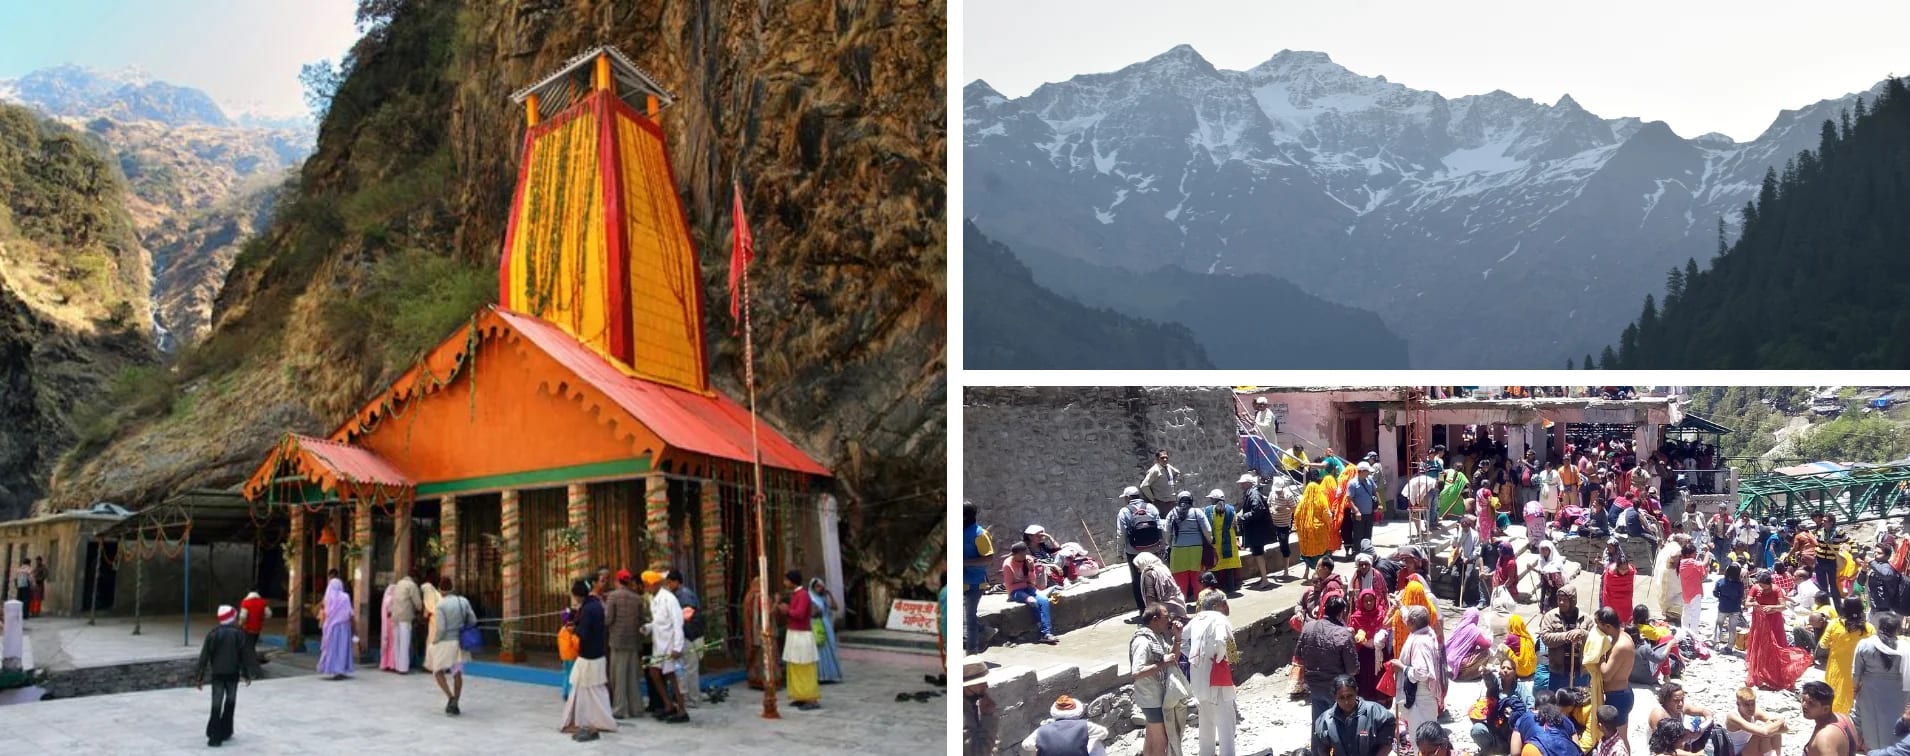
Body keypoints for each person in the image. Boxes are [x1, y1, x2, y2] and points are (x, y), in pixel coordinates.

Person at [192, 604, 261, 747]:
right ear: (231, 618)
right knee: (230, 702)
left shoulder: (213, 634)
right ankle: (226, 731)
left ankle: (214, 737)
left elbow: (204, 656)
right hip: (232, 674)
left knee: (216, 704)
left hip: (217, 673)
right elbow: (244, 656)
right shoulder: (239, 633)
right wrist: (247, 673)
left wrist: (199, 677)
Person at [560, 579, 616, 739]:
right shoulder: (595, 605)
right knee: (596, 690)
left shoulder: (588, 609)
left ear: (577, 595)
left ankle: (579, 721)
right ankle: (600, 720)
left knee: (581, 688)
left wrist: (572, 629)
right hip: (598, 653)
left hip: (588, 655)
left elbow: (583, 633)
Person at [1185, 592, 1237, 756]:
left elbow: (1180, 639)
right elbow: (1222, 641)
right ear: (1216, 606)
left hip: (1198, 680)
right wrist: (1220, 658)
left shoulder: (1195, 620)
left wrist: (1195, 658)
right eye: (1224, 604)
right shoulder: (1219, 619)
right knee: (1226, 724)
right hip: (1217, 680)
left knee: (1206, 722)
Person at [1390, 605, 1444, 756]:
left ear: (1412, 622)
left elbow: (1422, 672)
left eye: (1407, 620)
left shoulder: (1420, 642)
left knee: (1421, 741)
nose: (1405, 622)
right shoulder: (1428, 632)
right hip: (1424, 698)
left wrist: (1402, 667)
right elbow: (1410, 616)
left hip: (1421, 699)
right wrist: (1401, 606)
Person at [1745, 571, 1813, 690]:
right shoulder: (1755, 588)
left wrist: (1772, 607)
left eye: (1764, 586)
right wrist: (1754, 603)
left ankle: (1774, 669)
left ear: (1769, 583)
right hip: (1759, 620)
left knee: (1775, 643)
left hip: (1774, 620)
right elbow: (1747, 603)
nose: (1761, 588)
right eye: (1760, 585)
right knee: (1760, 643)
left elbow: (1783, 606)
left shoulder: (1777, 590)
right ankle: (1760, 668)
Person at [1298, 594, 1359, 723]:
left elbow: (1299, 655)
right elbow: (1352, 669)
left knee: (1319, 722)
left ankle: (1319, 743)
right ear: (1341, 613)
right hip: (1336, 688)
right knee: (1338, 725)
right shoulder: (1343, 634)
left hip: (1314, 685)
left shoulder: (1308, 627)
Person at [1131, 602, 1181, 756]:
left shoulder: (1156, 639)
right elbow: (1137, 672)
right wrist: (1162, 663)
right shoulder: (1143, 641)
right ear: (1154, 619)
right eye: (1166, 617)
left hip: (1157, 695)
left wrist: (1177, 639)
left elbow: (1173, 659)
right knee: (1161, 739)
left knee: (1152, 737)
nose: (1169, 620)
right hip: (1150, 697)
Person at [1853, 612, 1907, 753]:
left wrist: (1855, 691)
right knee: (1894, 728)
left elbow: (1856, 674)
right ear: (1897, 629)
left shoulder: (1865, 644)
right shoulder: (1905, 648)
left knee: (1872, 726)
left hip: (1870, 693)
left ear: (1879, 627)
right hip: (1898, 694)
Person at [640, 570, 689, 723]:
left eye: (647, 585)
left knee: (673, 677)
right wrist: (648, 627)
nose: (646, 588)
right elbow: (659, 622)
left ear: (654, 584)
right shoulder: (653, 598)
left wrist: (678, 647)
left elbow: (677, 623)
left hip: (670, 644)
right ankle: (668, 705)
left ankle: (682, 710)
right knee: (654, 673)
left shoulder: (669, 599)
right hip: (658, 644)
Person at [1312, 674, 1395, 756]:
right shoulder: (1325, 721)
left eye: (1349, 696)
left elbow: (1388, 742)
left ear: (1356, 691)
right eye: (1341, 698)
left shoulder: (1375, 712)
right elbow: (1323, 749)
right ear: (1334, 697)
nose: (1346, 702)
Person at [777, 570, 824, 710]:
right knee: (795, 664)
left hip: (802, 635)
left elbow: (800, 614)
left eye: (786, 580)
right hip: (794, 633)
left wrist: (787, 610)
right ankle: (799, 696)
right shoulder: (796, 594)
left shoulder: (803, 595)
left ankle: (811, 698)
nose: (784, 583)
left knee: (804, 666)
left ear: (792, 581)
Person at [427, 575, 473, 715]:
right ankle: (456, 702)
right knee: (457, 672)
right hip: (459, 643)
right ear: (452, 588)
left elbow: (440, 628)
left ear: (440, 590)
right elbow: (473, 620)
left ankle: (450, 697)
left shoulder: (440, 605)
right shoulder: (463, 601)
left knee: (437, 671)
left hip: (445, 643)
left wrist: (434, 641)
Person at [1118, 488, 1164, 620]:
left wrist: (1120, 552)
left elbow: (1121, 533)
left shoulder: (1124, 512)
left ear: (1128, 498)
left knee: (1138, 581)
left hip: (1134, 552)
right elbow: (1160, 527)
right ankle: (1159, 605)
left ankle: (1144, 610)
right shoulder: (1151, 508)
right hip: (1153, 549)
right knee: (1156, 577)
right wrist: (1162, 545)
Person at [605, 569, 645, 718]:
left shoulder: (612, 596)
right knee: (633, 676)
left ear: (617, 581)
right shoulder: (637, 598)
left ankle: (620, 709)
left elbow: (608, 619)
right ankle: (636, 708)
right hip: (633, 641)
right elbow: (641, 620)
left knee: (619, 676)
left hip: (617, 641)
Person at [1536, 585, 1592, 692]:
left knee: (1580, 704)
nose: (1561, 602)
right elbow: (1545, 638)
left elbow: (1594, 640)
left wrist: (1582, 633)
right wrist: (1566, 636)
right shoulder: (1550, 617)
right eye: (1559, 599)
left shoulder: (1586, 619)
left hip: (1580, 672)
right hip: (1558, 672)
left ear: (1573, 601)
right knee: (1558, 704)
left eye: (1565, 600)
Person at [1824, 596, 1874, 715]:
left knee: (1833, 695)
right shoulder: (1869, 628)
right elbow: (1873, 650)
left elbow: (1823, 644)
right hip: (1859, 670)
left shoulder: (1834, 624)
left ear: (1844, 608)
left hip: (1836, 669)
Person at [1003, 543, 1060, 645]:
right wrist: (1025, 583)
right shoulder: (1008, 565)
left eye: (1024, 554)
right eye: (1021, 555)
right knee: (1033, 601)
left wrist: (1031, 569)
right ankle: (1044, 631)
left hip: (1028, 588)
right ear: (1014, 554)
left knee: (1044, 600)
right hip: (1015, 591)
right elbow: (1009, 586)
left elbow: (1033, 582)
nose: (1023, 557)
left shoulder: (1028, 560)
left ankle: (1046, 634)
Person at [1020, 695, 1110, 756]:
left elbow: (1026, 745)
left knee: (1036, 749)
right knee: (1095, 742)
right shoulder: (1085, 726)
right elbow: (1104, 733)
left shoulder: (1042, 730)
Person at [1592, 607, 1636, 723]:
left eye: (1599, 626)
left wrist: (1599, 655)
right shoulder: (1619, 637)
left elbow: (1606, 675)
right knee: (1619, 737)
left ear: (1607, 626)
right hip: (1618, 694)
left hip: (1618, 697)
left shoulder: (1620, 646)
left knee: (1617, 737)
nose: (1597, 629)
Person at [666, 571, 704, 706]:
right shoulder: (679, 594)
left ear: (676, 581)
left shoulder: (684, 595)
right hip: (687, 635)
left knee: (690, 669)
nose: (668, 585)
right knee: (686, 668)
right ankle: (688, 697)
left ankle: (693, 699)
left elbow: (687, 615)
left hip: (690, 636)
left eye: (670, 582)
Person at [1348, 588, 1390, 706]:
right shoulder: (1356, 617)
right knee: (1365, 678)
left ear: (1375, 600)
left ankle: (1382, 701)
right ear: (1361, 602)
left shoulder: (1382, 613)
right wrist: (1360, 639)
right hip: (1364, 653)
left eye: (1371, 600)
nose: (1368, 604)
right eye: (1365, 601)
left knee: (1380, 675)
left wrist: (1381, 636)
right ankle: (1366, 702)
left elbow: (1387, 628)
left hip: (1380, 652)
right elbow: (1352, 633)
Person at [963, 501, 996, 649]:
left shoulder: (980, 534)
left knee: (968, 618)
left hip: (975, 582)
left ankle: (972, 656)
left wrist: (963, 563)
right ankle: (986, 630)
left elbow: (988, 558)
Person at [1236, 474, 1277, 586]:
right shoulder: (1252, 494)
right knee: (1258, 553)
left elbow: (1257, 511)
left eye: (1243, 483)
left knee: (1258, 554)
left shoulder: (1253, 494)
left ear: (1249, 483)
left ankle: (1265, 579)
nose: (1241, 486)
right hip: (1257, 530)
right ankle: (1263, 577)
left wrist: (1242, 517)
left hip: (1257, 530)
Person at [1723, 686, 1787, 756]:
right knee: (1759, 735)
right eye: (1746, 705)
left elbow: (1771, 722)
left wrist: (1776, 725)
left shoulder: (1755, 711)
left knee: (1775, 729)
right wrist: (1781, 721)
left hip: (1751, 748)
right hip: (1737, 753)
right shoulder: (1732, 717)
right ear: (1738, 704)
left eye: (1753, 704)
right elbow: (1764, 732)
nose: (1750, 708)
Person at [1800, 680, 1857, 756]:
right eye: (1803, 699)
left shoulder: (1824, 739)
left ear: (1825, 709)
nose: (1804, 705)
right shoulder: (1843, 718)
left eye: (1811, 703)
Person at [804, 576, 842, 684]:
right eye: (817, 586)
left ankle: (830, 673)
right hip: (817, 625)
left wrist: (829, 595)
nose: (819, 589)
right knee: (820, 649)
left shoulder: (822, 599)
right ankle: (820, 674)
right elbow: (812, 613)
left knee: (830, 649)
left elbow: (835, 607)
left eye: (821, 586)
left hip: (827, 625)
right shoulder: (811, 599)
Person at [1297, 470, 1337, 570]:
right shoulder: (1321, 500)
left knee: (1308, 552)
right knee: (1321, 553)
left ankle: (1307, 572)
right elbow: (1326, 515)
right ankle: (1320, 571)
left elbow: (1297, 516)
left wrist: (1300, 527)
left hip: (1306, 531)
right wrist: (1329, 524)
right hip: (1320, 531)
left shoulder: (1302, 502)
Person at [316, 577, 354, 680]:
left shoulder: (328, 597)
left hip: (330, 628)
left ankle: (330, 668)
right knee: (341, 648)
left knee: (331, 648)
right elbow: (349, 613)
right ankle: (340, 669)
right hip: (343, 627)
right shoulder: (345, 597)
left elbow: (325, 612)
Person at [1207, 489, 1243, 593]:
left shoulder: (1208, 510)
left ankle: (1216, 590)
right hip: (1229, 538)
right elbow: (1235, 524)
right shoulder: (1231, 509)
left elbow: (1207, 526)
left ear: (1213, 499)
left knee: (1215, 566)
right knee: (1229, 566)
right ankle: (1230, 589)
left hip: (1215, 540)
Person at [1446, 608, 1495, 681]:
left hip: (1450, 659)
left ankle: (1460, 671)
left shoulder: (1460, 625)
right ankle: (1469, 675)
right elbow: (1486, 645)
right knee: (1486, 652)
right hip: (1460, 661)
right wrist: (1490, 639)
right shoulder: (1473, 629)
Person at [1132, 551, 1185, 617]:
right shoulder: (1163, 568)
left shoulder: (1149, 573)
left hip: (1163, 612)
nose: (1139, 571)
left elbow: (1150, 597)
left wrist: (1151, 614)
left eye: (1138, 567)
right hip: (1178, 605)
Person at [964, 662, 997, 756]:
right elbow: (978, 753)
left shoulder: (971, 704)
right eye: (981, 683)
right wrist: (988, 716)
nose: (986, 686)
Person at [1347, 466, 1379, 557]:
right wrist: (1356, 511)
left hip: (1369, 513)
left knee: (1368, 534)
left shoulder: (1370, 481)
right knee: (1358, 535)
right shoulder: (1352, 483)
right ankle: (1358, 554)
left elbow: (1375, 492)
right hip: (1359, 515)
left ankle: (1367, 553)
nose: (1369, 473)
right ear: (1361, 471)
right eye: (1367, 471)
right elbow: (1349, 499)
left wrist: (1379, 504)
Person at [1506, 613, 1538, 703]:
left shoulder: (1511, 637)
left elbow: (1504, 646)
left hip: (1521, 672)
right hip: (1532, 669)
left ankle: (1507, 671)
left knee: (1503, 649)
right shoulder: (1528, 636)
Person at [1603, 550, 1638, 620]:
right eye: (1622, 569)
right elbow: (1608, 586)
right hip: (1612, 597)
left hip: (1625, 598)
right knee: (1611, 616)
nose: (1624, 571)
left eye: (1626, 569)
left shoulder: (1630, 571)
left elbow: (1629, 587)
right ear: (1617, 567)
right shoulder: (1611, 572)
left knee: (1625, 615)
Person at [237, 590, 269, 662]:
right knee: (253, 644)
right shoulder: (263, 602)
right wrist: (261, 618)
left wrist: (240, 624)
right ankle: (252, 658)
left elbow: (243, 617)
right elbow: (269, 614)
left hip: (247, 628)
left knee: (247, 645)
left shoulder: (245, 602)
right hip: (257, 628)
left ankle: (249, 660)